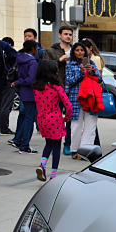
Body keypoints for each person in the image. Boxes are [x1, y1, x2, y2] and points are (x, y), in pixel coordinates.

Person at [33, 60, 72, 181]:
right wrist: (66, 117)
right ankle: (53, 175)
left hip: (41, 119)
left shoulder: (36, 87)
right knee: (56, 147)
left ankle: (42, 164)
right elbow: (68, 105)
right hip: (55, 119)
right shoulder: (56, 87)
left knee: (48, 143)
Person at [65, 42, 102, 159]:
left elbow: (100, 78)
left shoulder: (90, 63)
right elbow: (69, 81)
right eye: (77, 50)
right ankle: (74, 150)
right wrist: (80, 74)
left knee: (90, 127)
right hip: (76, 99)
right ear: (73, 52)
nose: (80, 52)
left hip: (91, 98)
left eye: (82, 50)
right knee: (76, 126)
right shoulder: (70, 64)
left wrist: (91, 72)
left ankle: (86, 151)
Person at [43, 25, 74, 154]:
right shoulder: (51, 51)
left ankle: (68, 144)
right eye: (65, 34)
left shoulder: (75, 50)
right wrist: (60, 60)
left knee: (71, 118)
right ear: (60, 35)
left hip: (72, 89)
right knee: (54, 118)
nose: (68, 36)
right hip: (56, 89)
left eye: (70, 34)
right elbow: (44, 68)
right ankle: (52, 143)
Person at [10, 40, 39, 154]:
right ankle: (24, 145)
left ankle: (20, 141)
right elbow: (31, 79)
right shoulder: (32, 61)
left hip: (23, 92)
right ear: (32, 49)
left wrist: (18, 82)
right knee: (29, 119)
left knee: (25, 117)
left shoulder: (20, 58)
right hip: (31, 93)